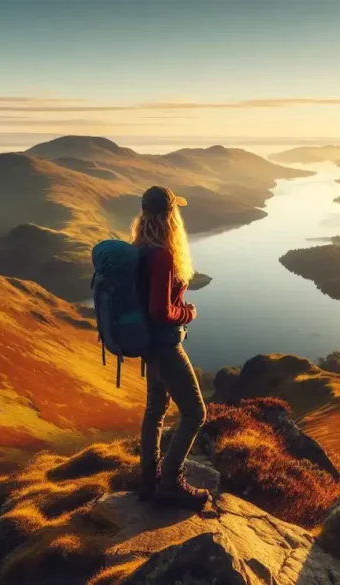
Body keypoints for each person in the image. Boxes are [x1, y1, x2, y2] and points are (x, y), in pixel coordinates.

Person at [130, 186, 209, 510]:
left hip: (150, 344)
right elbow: (160, 312)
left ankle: (149, 480)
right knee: (195, 413)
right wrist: (187, 312)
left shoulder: (140, 248)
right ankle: (170, 482)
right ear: (170, 215)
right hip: (164, 344)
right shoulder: (161, 255)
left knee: (156, 410)